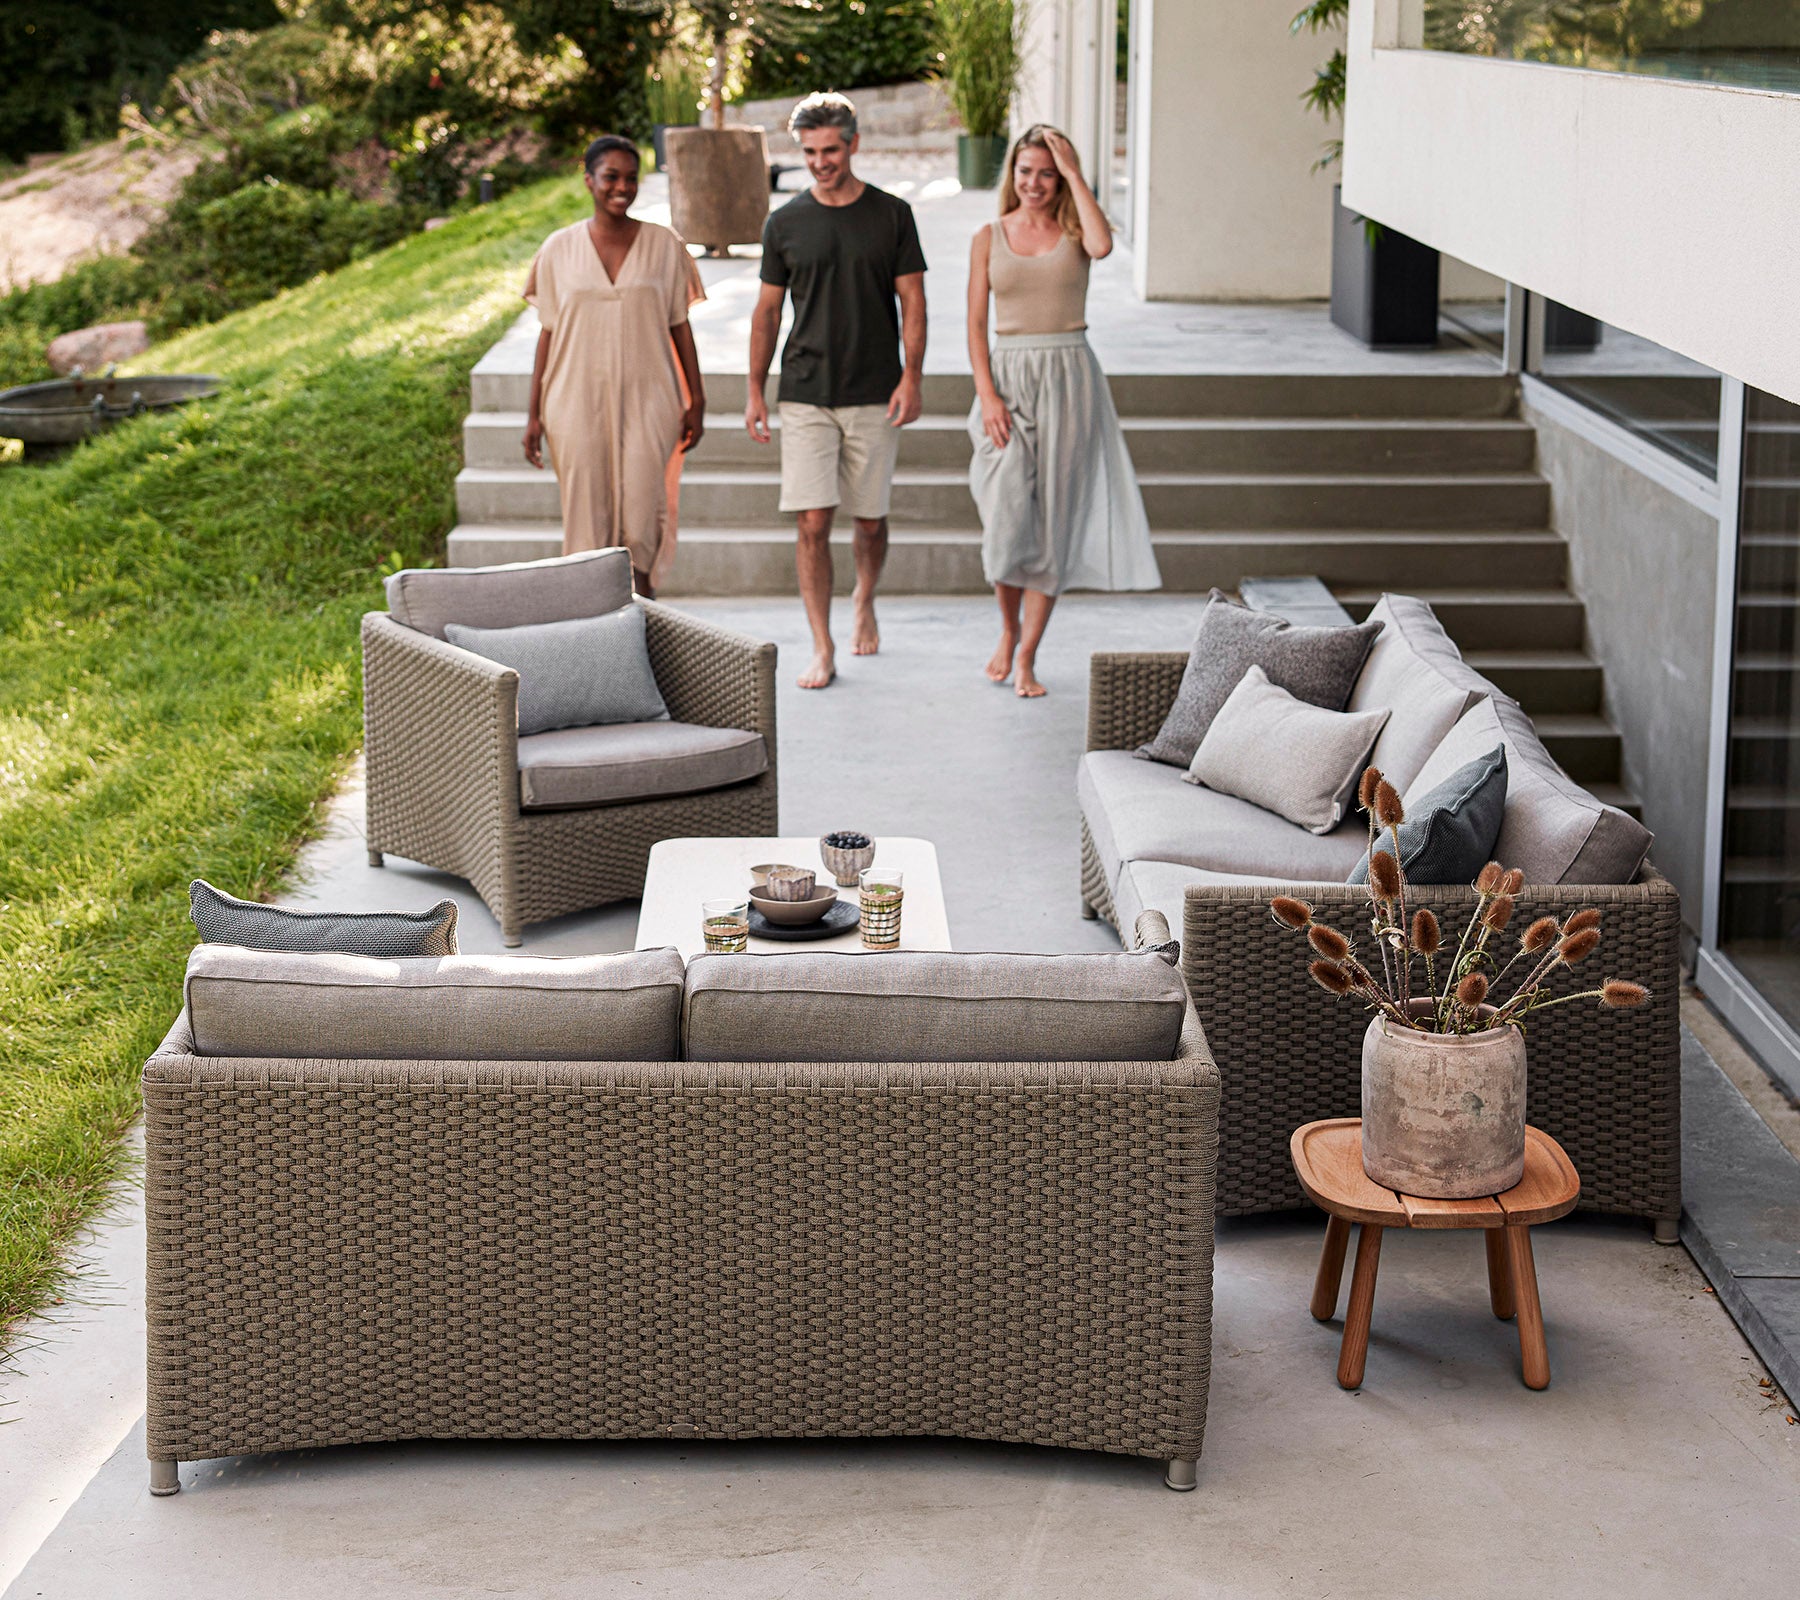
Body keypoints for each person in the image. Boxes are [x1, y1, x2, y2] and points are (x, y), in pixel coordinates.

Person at [966, 125, 1160, 697]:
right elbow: (975, 325)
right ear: (1012, 174)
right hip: (1007, 379)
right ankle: (1007, 630)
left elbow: (1103, 246)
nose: (1034, 183)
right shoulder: (988, 236)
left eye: (1046, 173)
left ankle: (1027, 654)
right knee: (1005, 519)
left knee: (1055, 524)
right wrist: (988, 395)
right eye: (1025, 171)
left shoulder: (1076, 231)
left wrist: (1076, 172)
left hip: (1070, 379)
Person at [746, 92, 927, 689]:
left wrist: (912, 376)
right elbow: (767, 313)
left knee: (869, 522)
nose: (820, 162)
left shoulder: (892, 215)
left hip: (875, 388)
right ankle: (822, 646)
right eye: (810, 152)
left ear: (853, 145)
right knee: (813, 523)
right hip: (805, 390)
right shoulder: (785, 223)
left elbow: (913, 303)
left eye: (830, 150)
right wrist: (755, 390)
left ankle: (864, 598)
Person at [522, 135, 706, 598]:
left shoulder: (664, 246)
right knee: (587, 523)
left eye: (630, 178)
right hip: (574, 403)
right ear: (589, 180)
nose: (622, 187)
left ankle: (644, 629)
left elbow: (680, 326)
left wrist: (697, 398)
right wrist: (533, 413)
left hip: (651, 400)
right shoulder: (558, 249)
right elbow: (548, 333)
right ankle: (591, 634)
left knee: (642, 521)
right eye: (611, 177)